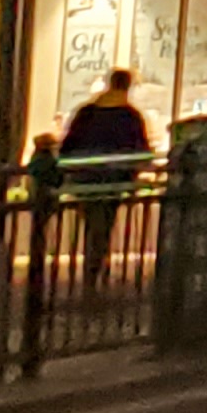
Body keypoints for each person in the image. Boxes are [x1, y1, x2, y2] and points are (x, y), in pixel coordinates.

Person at [56, 67, 156, 293]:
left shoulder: (86, 113)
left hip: (84, 179)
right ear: (128, 86)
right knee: (103, 225)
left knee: (92, 223)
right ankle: (95, 269)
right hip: (113, 180)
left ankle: (92, 268)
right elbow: (140, 151)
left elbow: (67, 147)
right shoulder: (130, 116)